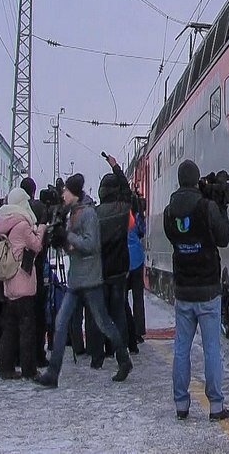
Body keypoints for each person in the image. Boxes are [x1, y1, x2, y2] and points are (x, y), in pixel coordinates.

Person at [34, 173, 132, 387]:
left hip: (90, 280)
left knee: (104, 323)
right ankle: (53, 373)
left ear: (74, 193)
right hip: (76, 279)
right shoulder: (72, 213)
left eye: (66, 190)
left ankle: (124, 359)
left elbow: (91, 245)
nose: (63, 194)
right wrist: (61, 241)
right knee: (61, 324)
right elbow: (75, 248)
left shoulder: (87, 214)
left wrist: (67, 237)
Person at [164, 160, 229, 421]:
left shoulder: (170, 212)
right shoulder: (207, 206)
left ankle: (181, 404)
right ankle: (215, 406)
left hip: (183, 289)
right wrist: (222, 207)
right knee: (211, 348)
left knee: (181, 348)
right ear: (195, 181)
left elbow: (175, 237)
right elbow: (223, 238)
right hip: (208, 290)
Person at [0, 188, 46, 379]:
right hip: (22, 281)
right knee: (27, 329)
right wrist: (41, 229)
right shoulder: (23, 225)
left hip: (9, 282)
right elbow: (36, 246)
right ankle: (28, 369)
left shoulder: (4, 224)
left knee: (9, 329)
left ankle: (6, 367)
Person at [86, 155, 131, 369]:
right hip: (119, 271)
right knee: (118, 312)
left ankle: (97, 356)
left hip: (98, 272)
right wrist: (115, 167)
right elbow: (127, 190)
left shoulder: (93, 215)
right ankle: (118, 350)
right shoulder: (123, 210)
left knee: (97, 314)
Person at [21, 177, 49, 367]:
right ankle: (38, 353)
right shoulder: (40, 208)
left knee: (18, 313)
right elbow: (45, 237)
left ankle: (18, 353)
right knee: (38, 313)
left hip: (15, 268)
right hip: (37, 266)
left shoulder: (12, 209)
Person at [125, 195, 146, 353]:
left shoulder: (121, 214)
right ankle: (139, 331)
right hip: (137, 258)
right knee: (138, 298)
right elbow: (142, 232)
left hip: (123, 259)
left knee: (122, 298)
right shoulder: (137, 216)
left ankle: (126, 328)